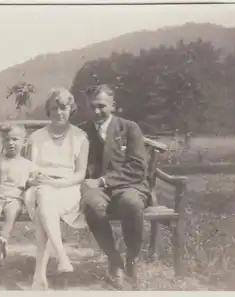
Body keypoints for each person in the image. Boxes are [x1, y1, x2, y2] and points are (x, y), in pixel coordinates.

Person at [79, 84, 150, 289]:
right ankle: (114, 259)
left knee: (132, 203)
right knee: (91, 204)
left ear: (113, 106)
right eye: (92, 107)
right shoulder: (82, 132)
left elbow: (138, 168)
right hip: (97, 190)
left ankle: (132, 259)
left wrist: (102, 181)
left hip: (129, 185)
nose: (97, 111)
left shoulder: (129, 128)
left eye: (102, 106)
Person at [24, 87, 90, 290]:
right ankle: (62, 256)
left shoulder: (80, 137)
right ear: (48, 110)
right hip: (40, 186)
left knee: (46, 202)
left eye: (64, 108)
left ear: (71, 109)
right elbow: (29, 169)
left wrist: (57, 183)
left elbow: (80, 174)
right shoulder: (36, 137)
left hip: (68, 188)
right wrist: (38, 177)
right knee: (44, 196)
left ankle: (39, 275)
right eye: (55, 108)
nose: (59, 112)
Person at [0, 124, 38, 264]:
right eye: (7, 140)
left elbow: (37, 178)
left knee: (12, 212)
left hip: (14, 198)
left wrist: (32, 182)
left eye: (15, 139)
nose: (10, 143)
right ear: (2, 142)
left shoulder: (29, 165)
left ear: (24, 142)